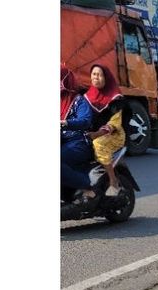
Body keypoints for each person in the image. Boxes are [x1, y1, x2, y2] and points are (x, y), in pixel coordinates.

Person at [83, 64, 128, 199]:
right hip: (91, 133)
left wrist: (97, 134)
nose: (96, 77)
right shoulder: (87, 96)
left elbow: (114, 123)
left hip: (113, 135)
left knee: (98, 144)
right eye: (94, 74)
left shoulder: (115, 98)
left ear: (106, 78)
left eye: (100, 75)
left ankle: (113, 180)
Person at [61, 64, 94, 195]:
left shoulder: (78, 100)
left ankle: (86, 186)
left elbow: (85, 120)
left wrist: (67, 122)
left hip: (77, 141)